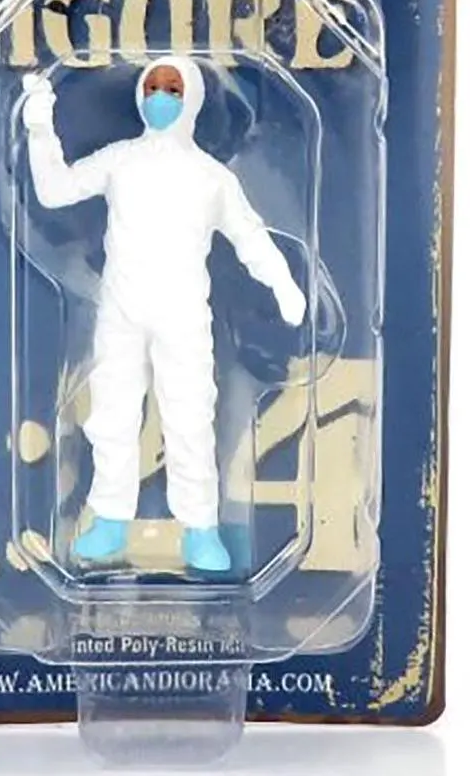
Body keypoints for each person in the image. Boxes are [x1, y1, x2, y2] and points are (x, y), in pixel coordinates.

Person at [22, 56, 306, 573]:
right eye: (152, 86)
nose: (160, 97)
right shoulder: (120, 160)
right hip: (121, 312)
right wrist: (40, 129)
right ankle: (109, 517)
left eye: (172, 89)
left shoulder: (210, 177)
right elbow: (54, 190)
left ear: (191, 98)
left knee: (190, 418)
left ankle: (201, 528)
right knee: (111, 415)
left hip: (183, 316)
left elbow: (249, 236)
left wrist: (283, 284)